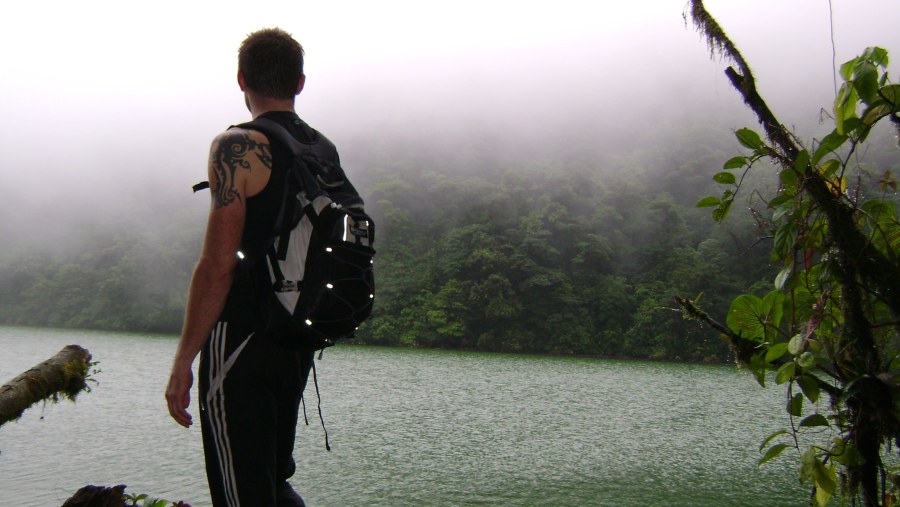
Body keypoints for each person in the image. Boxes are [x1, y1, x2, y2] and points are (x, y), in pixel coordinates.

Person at [166, 27, 334, 506]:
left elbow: (218, 263)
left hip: (242, 339)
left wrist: (184, 361)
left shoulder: (236, 146)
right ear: (300, 83)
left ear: (241, 79)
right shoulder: (322, 150)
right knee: (273, 480)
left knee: (241, 492)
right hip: (296, 338)